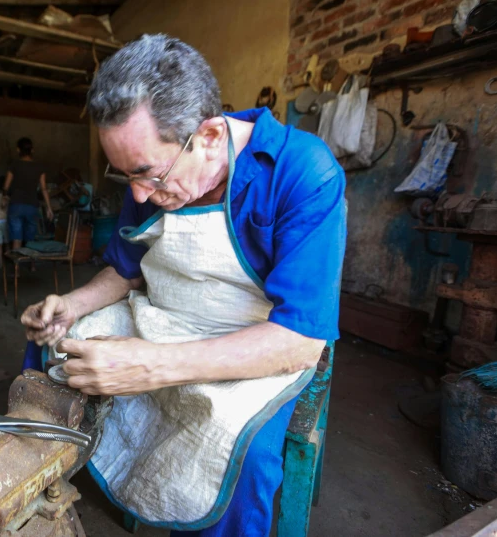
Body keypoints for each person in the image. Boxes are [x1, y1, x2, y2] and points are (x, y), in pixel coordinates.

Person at [21, 34, 346, 536]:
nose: (137, 193)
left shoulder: (302, 172)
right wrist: (70, 303)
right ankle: (44, 484)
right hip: (164, 314)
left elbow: (301, 341)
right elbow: (125, 271)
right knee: (54, 346)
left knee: (244, 458)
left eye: (148, 174)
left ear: (211, 136)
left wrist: (149, 366)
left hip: (257, 344)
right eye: (124, 175)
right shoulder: (146, 175)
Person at [3, 137, 54, 251]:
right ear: (32, 150)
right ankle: (33, 267)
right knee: (30, 239)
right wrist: (49, 208)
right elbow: (44, 188)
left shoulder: (14, 164)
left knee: (17, 237)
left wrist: (5, 197)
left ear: (18, 150)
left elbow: (6, 186)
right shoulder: (39, 167)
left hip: (16, 205)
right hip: (32, 206)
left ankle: (17, 267)